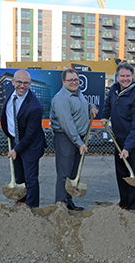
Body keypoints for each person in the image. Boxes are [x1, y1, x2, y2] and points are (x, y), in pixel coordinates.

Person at [101, 62, 135, 210]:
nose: (125, 79)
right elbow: (108, 103)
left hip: (133, 142)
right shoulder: (114, 89)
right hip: (118, 139)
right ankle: (124, 201)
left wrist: (128, 147)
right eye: (122, 76)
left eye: (128, 76)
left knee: (133, 174)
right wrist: (105, 116)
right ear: (117, 76)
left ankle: (133, 206)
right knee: (121, 172)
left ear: (132, 77)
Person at [50, 69, 98, 211]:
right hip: (66, 139)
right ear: (63, 82)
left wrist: (92, 106)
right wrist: (80, 144)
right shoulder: (61, 99)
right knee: (64, 174)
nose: (74, 82)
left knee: (72, 173)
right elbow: (68, 125)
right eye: (70, 80)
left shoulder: (77, 93)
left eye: (76, 79)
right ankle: (60, 207)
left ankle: (68, 203)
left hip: (76, 139)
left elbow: (83, 104)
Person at [0, 69, 46, 208]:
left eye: (26, 83)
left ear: (30, 84)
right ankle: (22, 200)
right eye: (19, 82)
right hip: (15, 138)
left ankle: (32, 208)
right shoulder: (9, 90)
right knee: (19, 175)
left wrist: (16, 150)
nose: (22, 86)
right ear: (13, 82)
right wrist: (11, 136)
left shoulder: (35, 106)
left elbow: (30, 135)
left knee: (30, 178)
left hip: (31, 145)